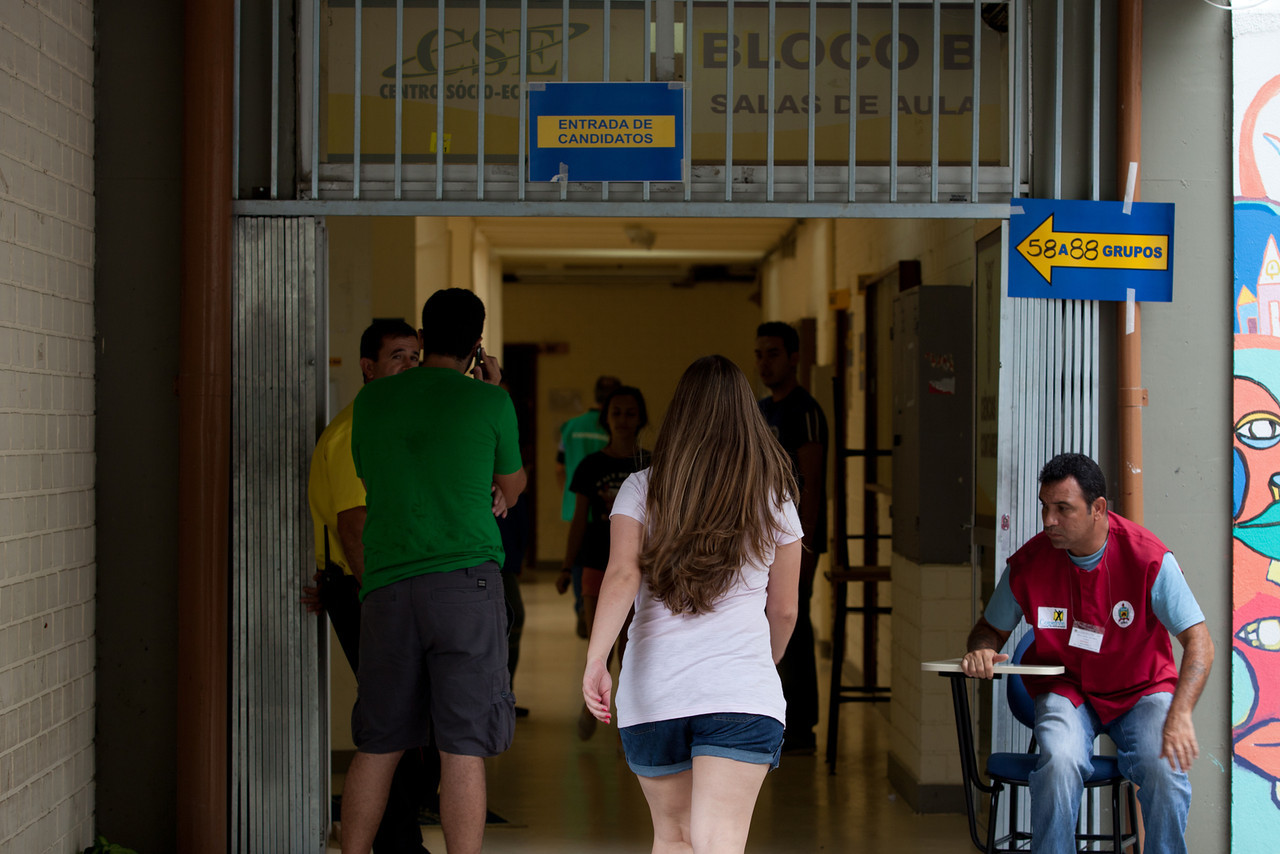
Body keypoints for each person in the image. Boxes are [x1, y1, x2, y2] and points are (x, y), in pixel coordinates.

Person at [583, 355, 802, 854]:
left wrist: (597, 658)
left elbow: (620, 574)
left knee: (674, 837)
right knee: (718, 841)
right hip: (740, 694)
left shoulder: (641, 488)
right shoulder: (774, 497)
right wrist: (757, 666)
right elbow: (784, 609)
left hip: (656, 692)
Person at [342, 289, 526, 854]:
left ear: (421, 340)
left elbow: (372, 478)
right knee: (462, 747)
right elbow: (512, 489)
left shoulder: (372, 402)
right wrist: (490, 390)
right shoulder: (491, 402)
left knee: (379, 743)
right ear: (476, 345)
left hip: (388, 586)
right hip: (466, 588)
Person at [961, 453, 1214, 854]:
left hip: (1142, 689)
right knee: (1059, 762)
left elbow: (1200, 641)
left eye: (1063, 509)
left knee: (1164, 767)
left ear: (1098, 509)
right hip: (1067, 688)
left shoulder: (1148, 556)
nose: (1049, 520)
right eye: (1045, 507)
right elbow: (988, 629)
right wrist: (981, 650)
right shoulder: (1029, 562)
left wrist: (1180, 713)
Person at [304, 318, 433, 854]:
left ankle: (399, 838)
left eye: (416, 356)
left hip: (392, 586)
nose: (410, 366)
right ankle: (396, 844)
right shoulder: (354, 431)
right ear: (369, 367)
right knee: (395, 723)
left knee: (413, 720)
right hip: (369, 589)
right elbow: (355, 528)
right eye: (398, 356)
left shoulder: (395, 423)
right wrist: (378, 601)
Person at [557, 385, 651, 739]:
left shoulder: (652, 464)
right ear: (605, 419)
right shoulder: (591, 465)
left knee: (631, 644)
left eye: (630, 413)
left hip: (640, 568)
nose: (623, 420)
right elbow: (579, 519)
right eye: (616, 413)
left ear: (640, 418)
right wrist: (567, 566)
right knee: (601, 639)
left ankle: (628, 722)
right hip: (596, 562)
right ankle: (592, 699)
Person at [754, 320, 828, 754]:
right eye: (760, 353)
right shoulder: (763, 410)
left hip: (795, 542)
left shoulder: (805, 410)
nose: (765, 362)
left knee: (794, 627)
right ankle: (776, 716)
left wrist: (807, 545)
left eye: (774, 353)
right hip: (762, 542)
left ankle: (802, 725)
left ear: (795, 357)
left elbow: (812, 484)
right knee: (768, 627)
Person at [557, 375, 623, 635]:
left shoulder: (570, 427)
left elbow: (559, 466)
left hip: (575, 501)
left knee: (578, 556)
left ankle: (581, 605)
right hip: (605, 506)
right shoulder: (609, 428)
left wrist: (566, 494)